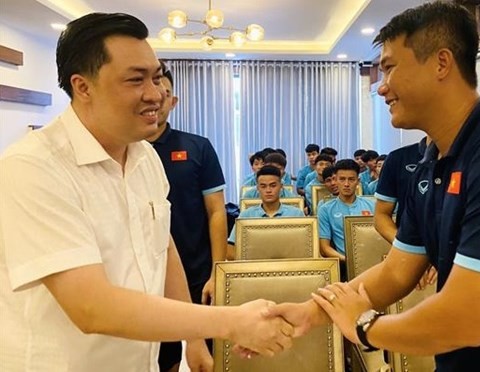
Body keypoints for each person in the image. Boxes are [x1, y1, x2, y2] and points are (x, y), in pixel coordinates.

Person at [266, 3, 480, 371]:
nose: (382, 86)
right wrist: (314, 311)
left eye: (389, 67)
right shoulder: (429, 163)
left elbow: (467, 318)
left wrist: (365, 325)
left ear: (441, 63)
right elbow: (397, 271)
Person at [0, 13, 292, 372]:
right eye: (135, 80)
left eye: (156, 78)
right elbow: (91, 306)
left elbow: (161, 246)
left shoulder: (144, 156)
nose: (155, 94)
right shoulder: (33, 166)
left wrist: (193, 340)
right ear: (83, 86)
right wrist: (229, 322)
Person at [146, 62, 228, 371]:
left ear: (172, 101)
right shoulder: (126, 147)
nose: (155, 99)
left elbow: (217, 211)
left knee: (201, 352)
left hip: (194, 268)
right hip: (145, 272)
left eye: (163, 93)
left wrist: (216, 271)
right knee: (158, 354)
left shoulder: (197, 147)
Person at [373, 137, 437, 290]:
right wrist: (410, 251)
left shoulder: (472, 158)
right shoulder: (398, 158)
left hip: (457, 262)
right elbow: (381, 217)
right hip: (407, 257)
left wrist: (445, 256)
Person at [227, 165, 305, 257]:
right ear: (257, 188)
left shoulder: (296, 214)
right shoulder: (246, 215)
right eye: (263, 186)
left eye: (273, 186)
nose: (268, 190)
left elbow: (305, 248)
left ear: (281, 187)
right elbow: (230, 248)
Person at [317, 159, 375, 278]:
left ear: (358, 181)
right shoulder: (326, 209)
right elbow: (324, 248)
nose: (346, 184)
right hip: (344, 265)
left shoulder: (372, 205)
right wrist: (349, 261)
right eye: (342, 179)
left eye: (351, 179)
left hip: (373, 264)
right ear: (336, 180)